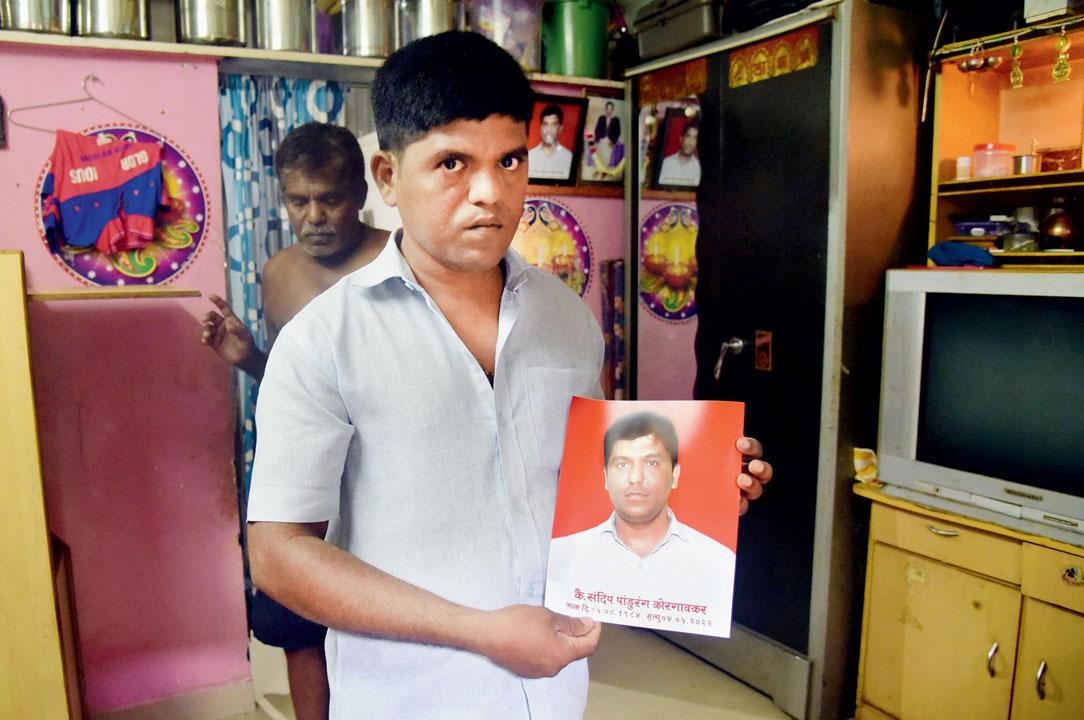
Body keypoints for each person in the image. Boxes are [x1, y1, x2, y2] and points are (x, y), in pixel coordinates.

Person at [244, 31, 771, 719]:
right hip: (406, 698)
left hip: (552, 692)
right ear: (387, 178)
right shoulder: (324, 340)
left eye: (511, 159)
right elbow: (279, 556)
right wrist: (479, 630)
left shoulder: (566, 320)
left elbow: (590, 488)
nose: (490, 193)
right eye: (452, 162)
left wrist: (690, 493)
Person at [200, 122, 388, 720]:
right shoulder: (277, 274)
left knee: (389, 619)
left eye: (329, 198)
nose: (314, 216)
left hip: (388, 474)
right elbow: (291, 393)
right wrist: (249, 358)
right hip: (311, 473)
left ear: (360, 192)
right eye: (298, 200)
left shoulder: (402, 257)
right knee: (301, 620)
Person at [545, 411, 735, 634]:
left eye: (652, 463)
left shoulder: (717, 561)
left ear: (675, 475)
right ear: (605, 477)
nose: (636, 477)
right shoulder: (564, 555)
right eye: (622, 464)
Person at [528, 104, 574, 180]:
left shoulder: (569, 158)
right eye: (545, 124)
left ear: (560, 129)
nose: (549, 130)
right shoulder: (529, 156)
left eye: (553, 125)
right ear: (541, 128)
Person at [658, 120, 701, 187]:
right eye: (688, 136)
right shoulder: (666, 163)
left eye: (695, 138)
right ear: (681, 139)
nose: (690, 142)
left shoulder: (698, 167)